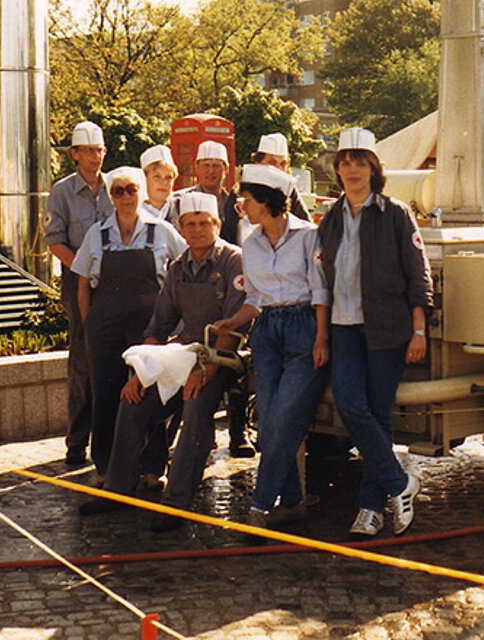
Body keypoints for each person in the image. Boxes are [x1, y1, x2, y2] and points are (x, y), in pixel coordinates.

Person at [79, 192, 246, 532]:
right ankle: (117, 490)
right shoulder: (177, 267)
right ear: (181, 229)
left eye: (204, 223)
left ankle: (177, 503)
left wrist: (207, 366)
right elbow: (158, 326)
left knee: (197, 406)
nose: (197, 230)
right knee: (133, 400)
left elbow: (235, 325)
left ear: (216, 225)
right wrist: (142, 371)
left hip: (227, 357)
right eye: (190, 224)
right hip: (183, 355)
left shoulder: (233, 261)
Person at [317, 127, 433, 537]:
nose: (352, 170)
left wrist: (419, 331)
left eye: (360, 163)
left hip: (387, 329)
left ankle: (370, 508)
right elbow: (321, 278)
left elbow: (419, 276)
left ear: (373, 169)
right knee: (351, 406)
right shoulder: (329, 219)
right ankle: (401, 483)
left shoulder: (396, 213)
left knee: (378, 414)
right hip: (344, 328)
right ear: (338, 169)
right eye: (345, 163)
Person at [215, 164, 329, 530]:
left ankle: (260, 506)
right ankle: (292, 501)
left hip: (304, 329)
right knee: (268, 424)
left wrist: (321, 338)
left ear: (267, 201)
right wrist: (235, 321)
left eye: (246, 200)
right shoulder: (250, 242)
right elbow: (255, 297)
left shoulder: (310, 237)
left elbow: (321, 292)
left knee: (282, 421)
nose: (241, 207)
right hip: (266, 332)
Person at [71, 167, 187, 485]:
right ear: (111, 196)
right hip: (104, 326)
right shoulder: (96, 233)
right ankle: (106, 466)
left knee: (151, 391)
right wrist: (89, 322)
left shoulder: (162, 230)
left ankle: (152, 468)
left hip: (149, 325)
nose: (125, 197)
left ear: (140, 192)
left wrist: (174, 321)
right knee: (106, 394)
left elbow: (186, 267)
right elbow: (83, 284)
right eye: (118, 191)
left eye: (131, 190)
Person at [171, 140, 255, 458]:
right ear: (196, 167)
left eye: (216, 165)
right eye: (204, 164)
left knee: (235, 364)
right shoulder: (184, 200)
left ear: (225, 169)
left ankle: (238, 431)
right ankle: (199, 436)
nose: (210, 170)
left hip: (238, 289)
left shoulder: (241, 201)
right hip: (197, 289)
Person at [43, 121, 115, 467]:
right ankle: (77, 441)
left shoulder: (116, 186)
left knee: (118, 357)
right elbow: (54, 240)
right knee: (83, 360)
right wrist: (84, 267)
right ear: (74, 154)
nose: (95, 157)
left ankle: (112, 437)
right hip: (79, 282)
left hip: (116, 282)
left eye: (100, 150)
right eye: (89, 150)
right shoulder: (62, 192)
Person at [221, 132, 311, 246]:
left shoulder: (289, 191)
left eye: (282, 164)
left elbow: (305, 225)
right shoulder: (240, 192)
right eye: (271, 163)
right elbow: (230, 234)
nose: (277, 169)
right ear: (257, 163)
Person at [140, 144, 178, 223]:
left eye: (168, 177)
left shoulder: (181, 209)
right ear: (144, 178)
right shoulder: (134, 213)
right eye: (157, 177)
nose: (163, 183)